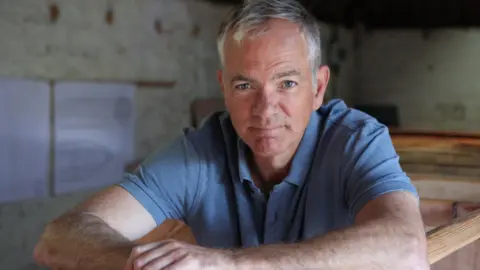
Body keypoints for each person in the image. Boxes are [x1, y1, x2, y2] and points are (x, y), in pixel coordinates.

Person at [34, 0, 429, 269]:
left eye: (287, 84)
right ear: (224, 88)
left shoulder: (355, 140)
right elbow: (57, 238)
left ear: (319, 88)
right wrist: (149, 263)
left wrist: (228, 263)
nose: (265, 109)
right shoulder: (199, 153)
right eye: (245, 87)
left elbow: (407, 248)